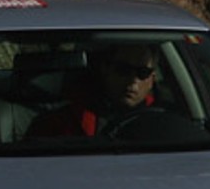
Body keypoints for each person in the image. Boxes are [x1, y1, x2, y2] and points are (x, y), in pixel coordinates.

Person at [26, 43, 161, 138]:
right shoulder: (60, 121)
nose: (133, 80)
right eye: (123, 69)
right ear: (105, 69)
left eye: (142, 73)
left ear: (152, 79)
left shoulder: (165, 121)